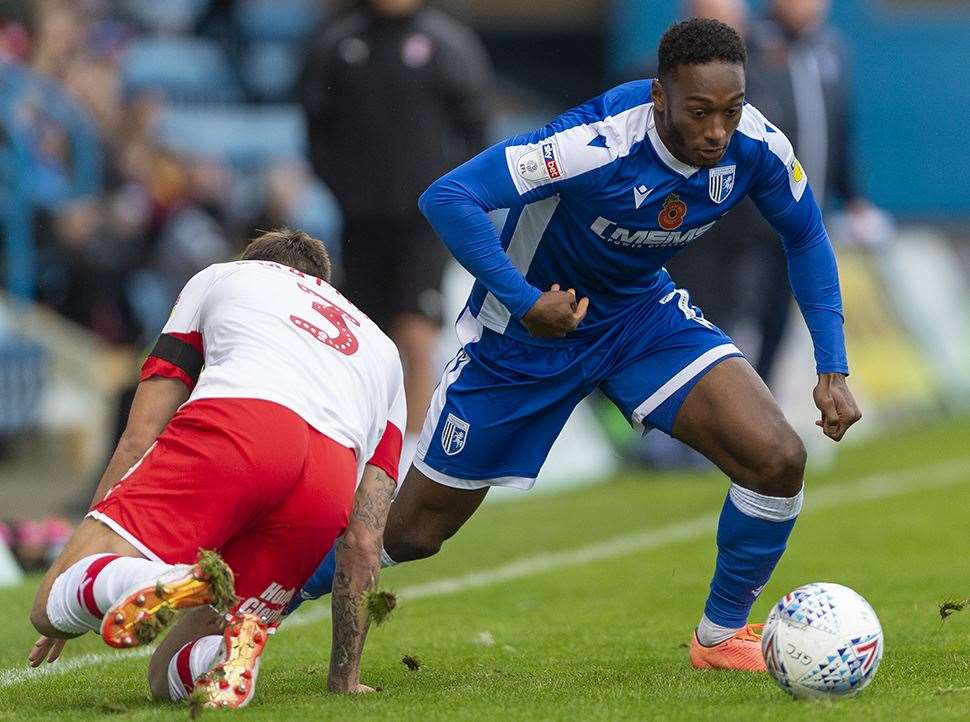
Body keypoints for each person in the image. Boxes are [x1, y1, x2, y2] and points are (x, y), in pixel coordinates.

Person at [290, 18, 862, 673]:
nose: (716, 132)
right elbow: (447, 197)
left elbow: (807, 235)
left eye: (729, 111)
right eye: (699, 112)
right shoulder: (592, 145)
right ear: (658, 97)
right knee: (415, 534)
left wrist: (832, 366)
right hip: (525, 336)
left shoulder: (753, 143)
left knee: (777, 456)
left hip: (638, 317)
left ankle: (720, 636)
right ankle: (260, 599)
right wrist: (523, 298)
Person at [27, 229, 405, 707]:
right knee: (167, 677)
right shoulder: (384, 350)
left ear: (255, 260)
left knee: (49, 603)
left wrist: (82, 579)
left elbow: (139, 436)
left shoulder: (223, 276)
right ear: (324, 284)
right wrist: (343, 679)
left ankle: (147, 581)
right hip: (326, 481)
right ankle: (229, 655)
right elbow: (364, 542)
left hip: (242, 425)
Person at [300, 0, 493, 470]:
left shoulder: (446, 43)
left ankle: (413, 456)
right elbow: (316, 128)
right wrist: (343, 188)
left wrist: (450, 191)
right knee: (365, 334)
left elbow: (476, 125)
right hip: (361, 219)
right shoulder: (338, 44)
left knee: (415, 326)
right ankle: (362, 448)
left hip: (423, 219)